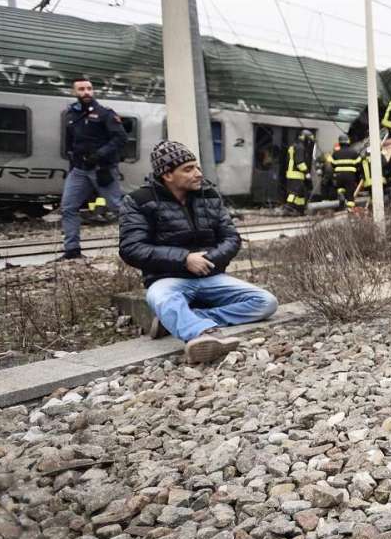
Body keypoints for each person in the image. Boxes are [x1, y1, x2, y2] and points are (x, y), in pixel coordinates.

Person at [120, 141, 278, 364]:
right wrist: (184, 259)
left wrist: (208, 259)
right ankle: (201, 335)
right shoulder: (138, 201)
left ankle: (189, 319)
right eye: (188, 169)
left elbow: (231, 238)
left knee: (266, 302)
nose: (198, 174)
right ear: (167, 175)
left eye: (198, 167)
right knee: (162, 298)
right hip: (167, 279)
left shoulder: (210, 196)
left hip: (210, 275)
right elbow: (131, 248)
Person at [60, 78, 128, 259]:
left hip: (102, 169)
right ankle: (72, 251)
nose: (86, 92)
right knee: (68, 207)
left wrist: (100, 155)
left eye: (89, 88)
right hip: (80, 169)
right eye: (81, 89)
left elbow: (120, 138)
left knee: (117, 206)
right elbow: (70, 143)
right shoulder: (71, 115)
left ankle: (134, 245)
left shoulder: (105, 114)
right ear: (74, 92)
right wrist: (72, 164)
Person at [283, 130, 317, 215]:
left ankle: (300, 209)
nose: (309, 143)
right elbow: (300, 162)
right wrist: (306, 172)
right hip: (296, 174)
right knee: (294, 192)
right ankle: (288, 208)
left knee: (300, 194)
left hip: (292, 173)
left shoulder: (294, 146)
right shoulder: (300, 147)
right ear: (305, 138)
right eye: (309, 140)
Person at [328, 134, 364, 209]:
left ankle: (341, 195)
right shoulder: (353, 152)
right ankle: (349, 209)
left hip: (339, 175)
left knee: (341, 188)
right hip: (350, 176)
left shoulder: (335, 153)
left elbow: (332, 164)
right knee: (350, 194)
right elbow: (359, 164)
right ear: (348, 142)